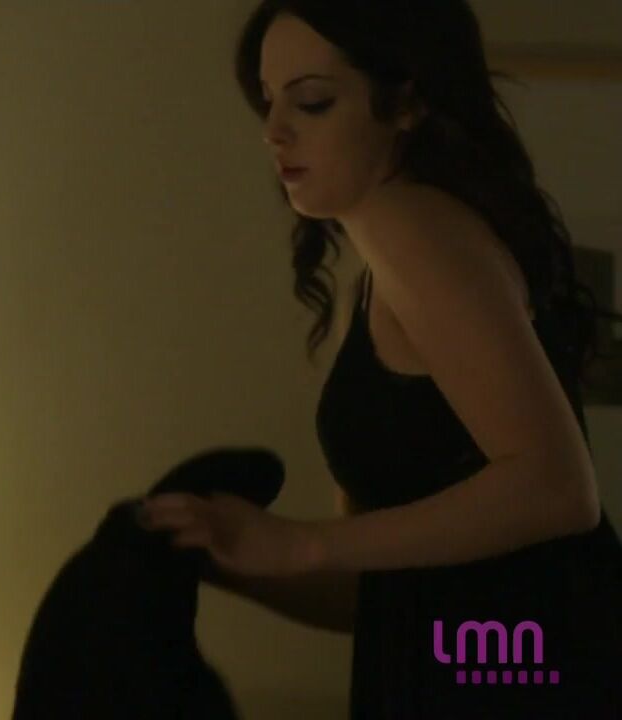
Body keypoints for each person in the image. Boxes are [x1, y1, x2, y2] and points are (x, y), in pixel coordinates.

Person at [138, 1, 622, 717]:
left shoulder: (410, 224)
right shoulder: (382, 257)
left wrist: (305, 545)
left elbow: (559, 489)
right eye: (269, 101)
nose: (274, 131)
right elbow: (398, 592)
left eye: (312, 102)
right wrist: (231, 557)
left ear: (407, 103)